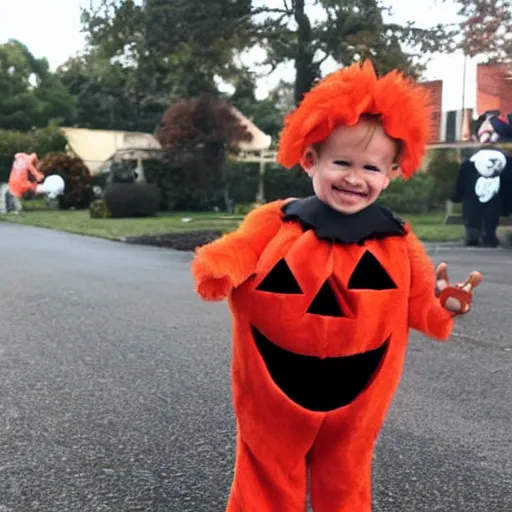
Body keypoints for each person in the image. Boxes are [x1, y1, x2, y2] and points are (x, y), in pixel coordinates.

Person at [191, 60, 483, 512]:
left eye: (371, 168)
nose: (354, 178)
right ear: (311, 160)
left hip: (360, 388)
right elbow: (242, 248)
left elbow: (420, 300)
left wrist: (444, 305)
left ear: (390, 174)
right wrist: (219, 266)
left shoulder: (396, 239)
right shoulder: (279, 220)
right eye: (341, 162)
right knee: (267, 463)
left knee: (346, 471)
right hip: (271, 386)